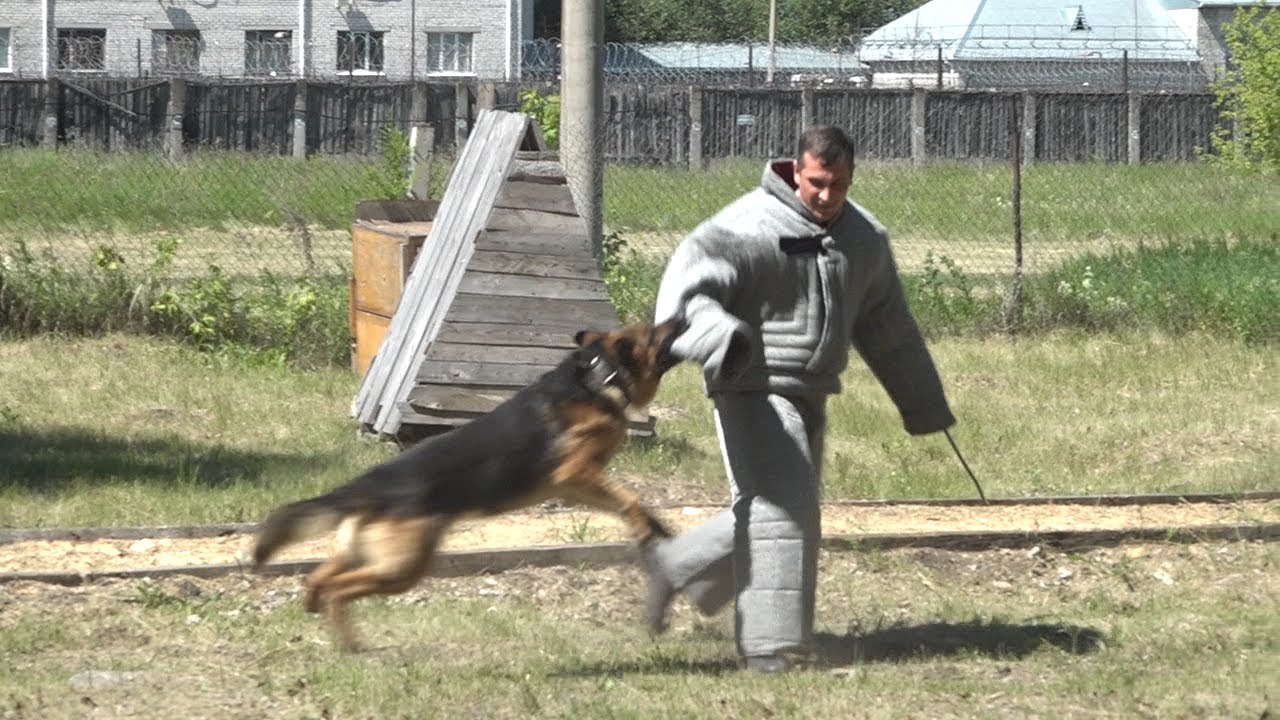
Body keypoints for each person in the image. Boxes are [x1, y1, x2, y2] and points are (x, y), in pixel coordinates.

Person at [644, 124, 957, 673]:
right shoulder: (743, 227)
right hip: (748, 383)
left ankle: (675, 564)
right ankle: (773, 652)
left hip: (813, 388)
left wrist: (924, 405)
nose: (825, 196)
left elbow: (889, 328)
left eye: (838, 185)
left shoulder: (863, 239)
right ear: (795, 170)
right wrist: (722, 338)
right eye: (816, 182)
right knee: (782, 508)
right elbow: (685, 298)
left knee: (786, 508)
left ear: (851, 177)